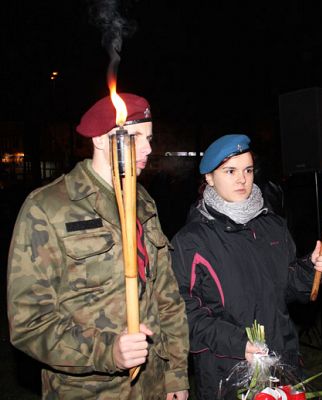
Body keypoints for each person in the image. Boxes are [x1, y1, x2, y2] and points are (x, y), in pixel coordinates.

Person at [7, 93, 190, 400]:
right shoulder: (48, 207)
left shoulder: (142, 201)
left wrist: (175, 373)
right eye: (137, 138)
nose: (148, 148)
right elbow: (29, 321)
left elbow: (166, 295)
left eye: (150, 138)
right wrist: (107, 351)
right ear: (103, 140)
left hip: (153, 385)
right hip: (89, 390)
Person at [170, 134, 322, 400]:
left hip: (282, 361)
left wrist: (313, 269)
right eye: (230, 171)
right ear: (209, 178)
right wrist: (238, 343)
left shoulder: (273, 225)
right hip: (227, 369)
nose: (242, 179)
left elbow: (287, 285)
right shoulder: (191, 241)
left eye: (247, 170)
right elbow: (182, 314)